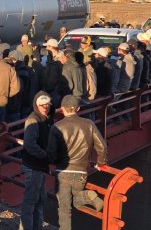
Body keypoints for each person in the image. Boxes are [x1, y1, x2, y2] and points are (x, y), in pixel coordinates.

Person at [47, 95, 107, 230]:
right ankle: (88, 195)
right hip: (81, 171)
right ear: (78, 108)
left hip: (62, 171)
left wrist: (53, 162)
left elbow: (51, 153)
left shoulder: (56, 127)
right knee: (77, 201)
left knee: (64, 209)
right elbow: (102, 146)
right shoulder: (89, 124)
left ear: (62, 109)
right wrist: (101, 162)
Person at [20, 92, 53, 230]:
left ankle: (36, 226)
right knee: (31, 201)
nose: (45, 107)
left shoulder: (46, 119)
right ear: (36, 105)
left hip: (39, 166)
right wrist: (45, 155)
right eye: (42, 104)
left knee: (39, 199)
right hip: (34, 166)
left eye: (47, 104)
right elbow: (29, 144)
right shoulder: (34, 120)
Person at [42, 39, 63, 106]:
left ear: (51, 47)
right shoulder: (49, 58)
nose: (46, 48)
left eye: (47, 46)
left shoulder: (61, 59)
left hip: (56, 91)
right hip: (48, 90)